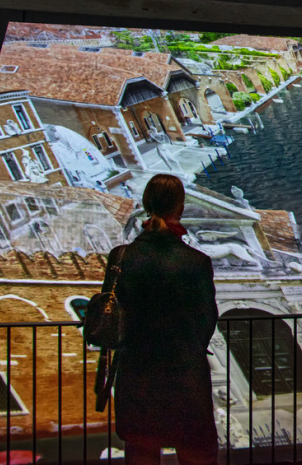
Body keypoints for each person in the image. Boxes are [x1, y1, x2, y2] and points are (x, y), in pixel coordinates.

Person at [106, 174, 218, 465]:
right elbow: (207, 321)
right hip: (184, 373)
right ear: (179, 208)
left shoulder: (120, 258)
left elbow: (112, 315)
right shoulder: (197, 262)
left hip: (137, 373)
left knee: (142, 452)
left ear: (146, 205)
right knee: (197, 453)